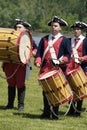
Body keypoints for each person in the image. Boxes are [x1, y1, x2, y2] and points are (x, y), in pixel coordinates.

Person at [35, 16, 71, 119]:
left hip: (57, 69)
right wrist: (38, 61)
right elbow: (39, 54)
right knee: (45, 91)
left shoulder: (64, 40)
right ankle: (46, 113)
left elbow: (68, 55)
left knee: (56, 91)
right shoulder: (44, 39)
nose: (53, 27)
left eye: (55, 26)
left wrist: (62, 60)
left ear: (60, 28)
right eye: (52, 26)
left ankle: (55, 114)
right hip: (45, 69)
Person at [3, 19, 37, 111]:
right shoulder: (10, 37)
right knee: (11, 84)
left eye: (19, 27)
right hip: (9, 64)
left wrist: (32, 52)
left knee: (20, 84)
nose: (17, 28)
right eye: (16, 27)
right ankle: (10, 104)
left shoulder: (28, 38)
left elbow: (35, 49)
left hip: (21, 65)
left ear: (24, 28)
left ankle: (20, 105)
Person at [66, 21, 87, 117]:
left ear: (81, 30)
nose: (76, 31)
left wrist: (84, 58)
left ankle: (78, 110)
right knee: (70, 89)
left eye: (78, 29)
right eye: (74, 29)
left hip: (81, 68)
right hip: (69, 68)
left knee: (79, 89)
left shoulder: (85, 40)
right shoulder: (69, 40)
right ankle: (71, 108)